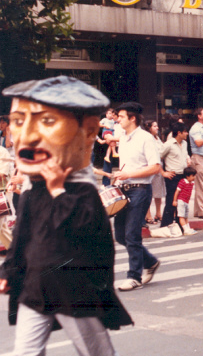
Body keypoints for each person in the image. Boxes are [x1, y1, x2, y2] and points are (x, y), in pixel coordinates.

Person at [0, 76, 132, 355]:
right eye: (18, 120)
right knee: (26, 352)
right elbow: (23, 235)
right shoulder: (32, 189)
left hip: (73, 290)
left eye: (47, 122)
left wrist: (58, 190)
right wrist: (9, 270)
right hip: (34, 287)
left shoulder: (82, 191)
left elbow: (82, 233)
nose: (26, 135)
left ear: (87, 133)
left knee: (96, 351)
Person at [110, 102, 162, 290]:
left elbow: (155, 167)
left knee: (132, 234)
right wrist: (120, 177)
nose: (118, 119)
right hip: (124, 189)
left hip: (140, 189)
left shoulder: (146, 138)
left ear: (133, 118)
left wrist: (129, 174)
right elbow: (127, 166)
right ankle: (151, 262)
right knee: (121, 235)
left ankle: (134, 277)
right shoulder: (123, 137)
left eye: (122, 116)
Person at [160, 121, 191, 228]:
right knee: (171, 201)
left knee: (181, 201)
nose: (187, 134)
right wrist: (163, 172)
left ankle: (179, 224)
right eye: (185, 132)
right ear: (179, 133)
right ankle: (165, 225)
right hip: (172, 176)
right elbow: (156, 158)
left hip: (183, 175)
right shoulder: (168, 144)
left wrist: (188, 159)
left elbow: (185, 154)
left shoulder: (185, 143)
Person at [143, 120, 165, 224]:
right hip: (150, 167)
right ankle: (148, 215)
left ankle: (158, 213)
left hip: (159, 167)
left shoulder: (158, 138)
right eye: (155, 126)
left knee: (158, 192)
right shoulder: (147, 138)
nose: (157, 128)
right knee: (149, 193)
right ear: (149, 127)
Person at [172, 167, 198, 235]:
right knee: (181, 216)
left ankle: (188, 228)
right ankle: (185, 229)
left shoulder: (191, 183)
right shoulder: (182, 182)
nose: (194, 177)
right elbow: (177, 191)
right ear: (187, 176)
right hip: (181, 201)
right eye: (193, 176)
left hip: (186, 201)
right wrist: (175, 200)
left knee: (186, 216)